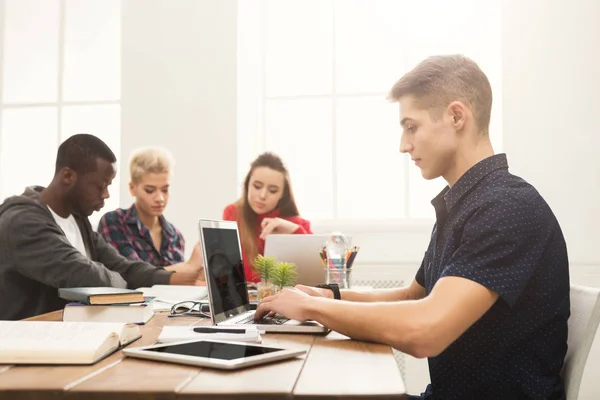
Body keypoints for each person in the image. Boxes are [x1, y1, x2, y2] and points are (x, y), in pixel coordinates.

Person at [254, 55, 570, 399]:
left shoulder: (506, 207)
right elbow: (411, 296)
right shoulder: (465, 204)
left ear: (456, 115)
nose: (404, 145)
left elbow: (426, 331)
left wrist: (314, 309)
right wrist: (328, 294)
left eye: (411, 126)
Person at [0, 134, 204, 321]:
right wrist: (125, 283)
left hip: (68, 331)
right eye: (100, 185)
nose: (106, 194)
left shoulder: (77, 219)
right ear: (68, 176)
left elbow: (123, 267)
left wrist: (181, 278)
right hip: (26, 343)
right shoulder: (22, 222)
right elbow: (86, 276)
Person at [223, 152, 312, 282]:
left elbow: (316, 275)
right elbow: (235, 272)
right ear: (247, 184)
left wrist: (295, 231)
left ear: (282, 194)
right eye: (257, 186)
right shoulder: (233, 213)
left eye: (273, 190)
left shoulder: (298, 225)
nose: (263, 195)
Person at [98, 147, 185, 267]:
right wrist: (188, 270)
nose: (160, 198)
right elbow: (132, 274)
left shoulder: (175, 236)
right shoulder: (114, 222)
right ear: (132, 188)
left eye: (165, 190)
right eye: (149, 190)